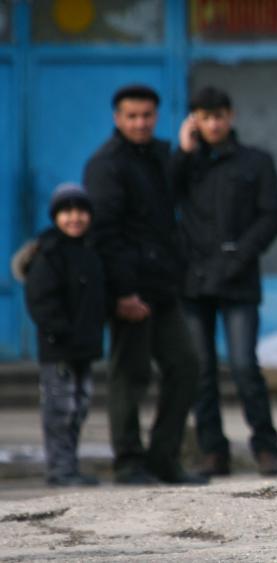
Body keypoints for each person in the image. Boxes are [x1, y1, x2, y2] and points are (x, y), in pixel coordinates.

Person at [84, 84, 206, 485]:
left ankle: (163, 457)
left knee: (186, 366)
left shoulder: (158, 155)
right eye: (132, 116)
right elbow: (104, 234)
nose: (140, 123)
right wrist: (122, 293)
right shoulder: (106, 164)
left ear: (156, 116)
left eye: (147, 116)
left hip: (163, 286)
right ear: (118, 118)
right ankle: (128, 462)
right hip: (129, 289)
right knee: (130, 375)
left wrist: (186, 153)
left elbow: (173, 196)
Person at [171, 87, 277, 477]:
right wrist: (184, 153)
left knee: (243, 366)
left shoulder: (256, 162)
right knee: (200, 369)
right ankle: (212, 452)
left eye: (219, 115)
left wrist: (239, 254)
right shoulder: (185, 164)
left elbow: (272, 217)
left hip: (238, 279)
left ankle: (266, 448)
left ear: (230, 116)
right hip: (193, 281)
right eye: (205, 117)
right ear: (194, 121)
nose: (214, 124)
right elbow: (161, 199)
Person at [15, 183, 104, 487]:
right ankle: (59, 469)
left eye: (80, 211)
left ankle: (70, 466)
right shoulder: (49, 252)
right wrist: (59, 332)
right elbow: (41, 301)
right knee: (59, 409)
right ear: (55, 216)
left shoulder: (91, 250)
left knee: (79, 407)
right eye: (67, 212)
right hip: (58, 349)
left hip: (84, 348)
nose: (74, 218)